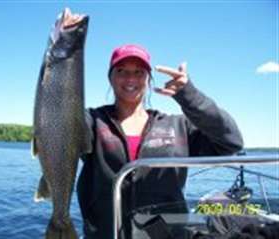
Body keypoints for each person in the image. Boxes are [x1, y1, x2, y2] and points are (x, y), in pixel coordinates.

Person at [62, 10, 244, 239]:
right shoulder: (92, 122)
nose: (131, 79)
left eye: (139, 72)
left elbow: (231, 142)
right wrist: (67, 51)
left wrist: (190, 96)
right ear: (110, 77)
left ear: (148, 79)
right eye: (122, 71)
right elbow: (57, 118)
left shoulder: (177, 126)